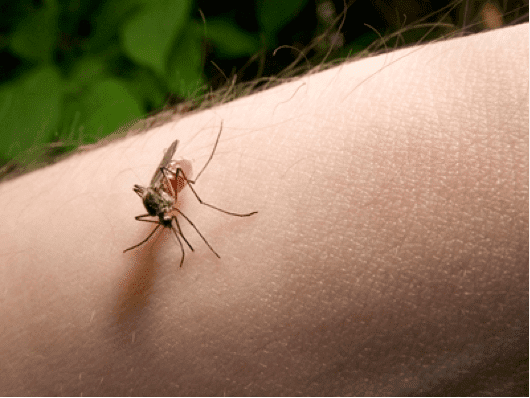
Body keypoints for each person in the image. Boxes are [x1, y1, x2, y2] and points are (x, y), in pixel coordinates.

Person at [0, 23, 527, 396]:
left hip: (170, 172)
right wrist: (153, 225)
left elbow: (175, 180)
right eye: (161, 215)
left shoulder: (175, 188)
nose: (166, 218)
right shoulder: (158, 212)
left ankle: (205, 219)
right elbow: (158, 210)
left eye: (162, 214)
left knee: (191, 204)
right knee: (166, 223)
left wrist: (177, 192)